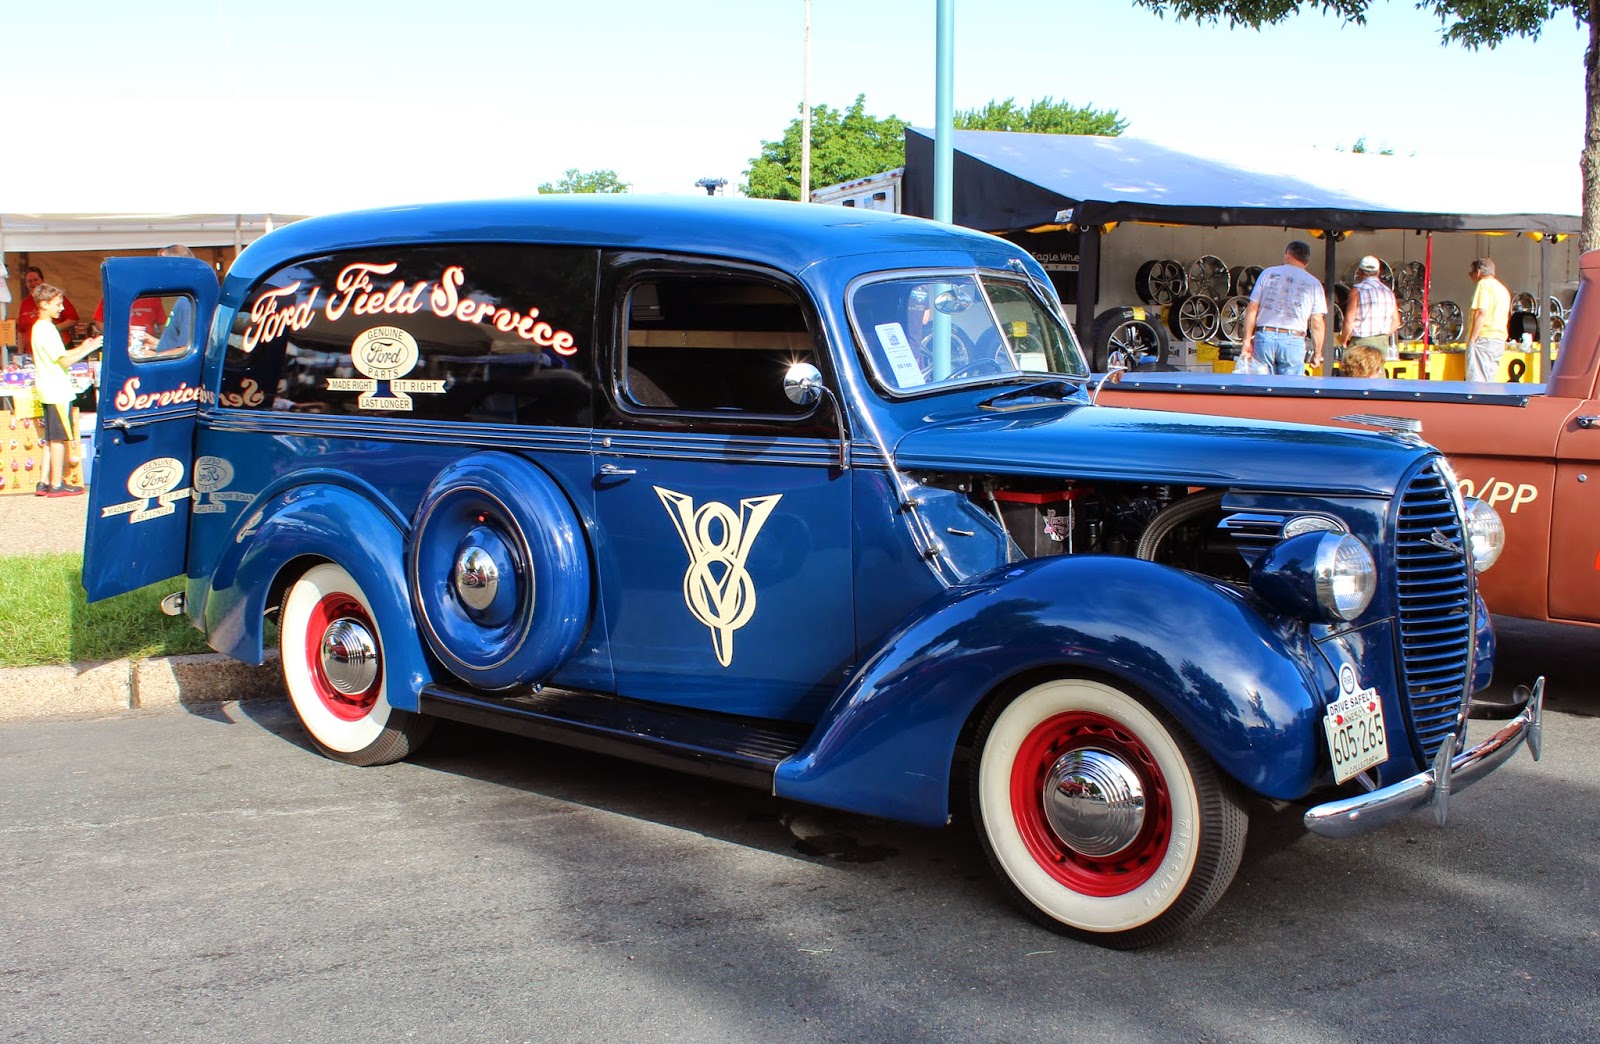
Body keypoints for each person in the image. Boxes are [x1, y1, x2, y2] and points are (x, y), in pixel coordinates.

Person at [28, 283, 102, 497]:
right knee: (59, 438)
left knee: (51, 437)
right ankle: (56, 483)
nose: (61, 308)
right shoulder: (48, 329)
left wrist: (84, 345)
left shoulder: (39, 328)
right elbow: (66, 361)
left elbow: (60, 355)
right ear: (44, 305)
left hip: (47, 387)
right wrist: (91, 347)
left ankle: (43, 482)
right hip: (56, 389)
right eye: (58, 304)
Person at [1239, 241, 1328, 375]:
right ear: (1306, 261)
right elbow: (1317, 322)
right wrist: (1317, 353)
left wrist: (1246, 341)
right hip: (1293, 339)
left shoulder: (1268, 273)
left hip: (1265, 337)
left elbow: (1252, 308)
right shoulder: (1314, 284)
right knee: (1290, 390)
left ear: (1288, 255)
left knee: (1262, 387)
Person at [1340, 255, 1399, 360]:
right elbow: (1396, 322)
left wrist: (1344, 341)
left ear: (1359, 272)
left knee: (1357, 373)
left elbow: (1349, 320)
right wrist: (1383, 335)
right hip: (1382, 342)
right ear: (1379, 272)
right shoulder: (1388, 291)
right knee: (1377, 374)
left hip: (1361, 342)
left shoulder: (1357, 290)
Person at [14, 265, 80, 357]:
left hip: (60, 346)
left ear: (42, 280)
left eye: (36, 280)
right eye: (29, 281)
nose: (33, 283)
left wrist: (56, 328)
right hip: (33, 352)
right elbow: (21, 331)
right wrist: (20, 354)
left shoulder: (54, 299)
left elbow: (73, 319)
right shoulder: (25, 303)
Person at [1463, 256, 1510, 382]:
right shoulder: (1502, 289)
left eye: (1471, 273)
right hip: (1498, 339)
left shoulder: (1483, 285)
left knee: (1477, 378)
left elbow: (1481, 312)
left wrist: (1472, 339)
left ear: (1478, 272)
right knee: (1489, 378)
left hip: (1483, 337)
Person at [151, 244, 197, 357]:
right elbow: (174, 344)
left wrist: (153, 356)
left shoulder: (188, 301)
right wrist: (152, 342)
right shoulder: (185, 298)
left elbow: (187, 350)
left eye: (162, 268)